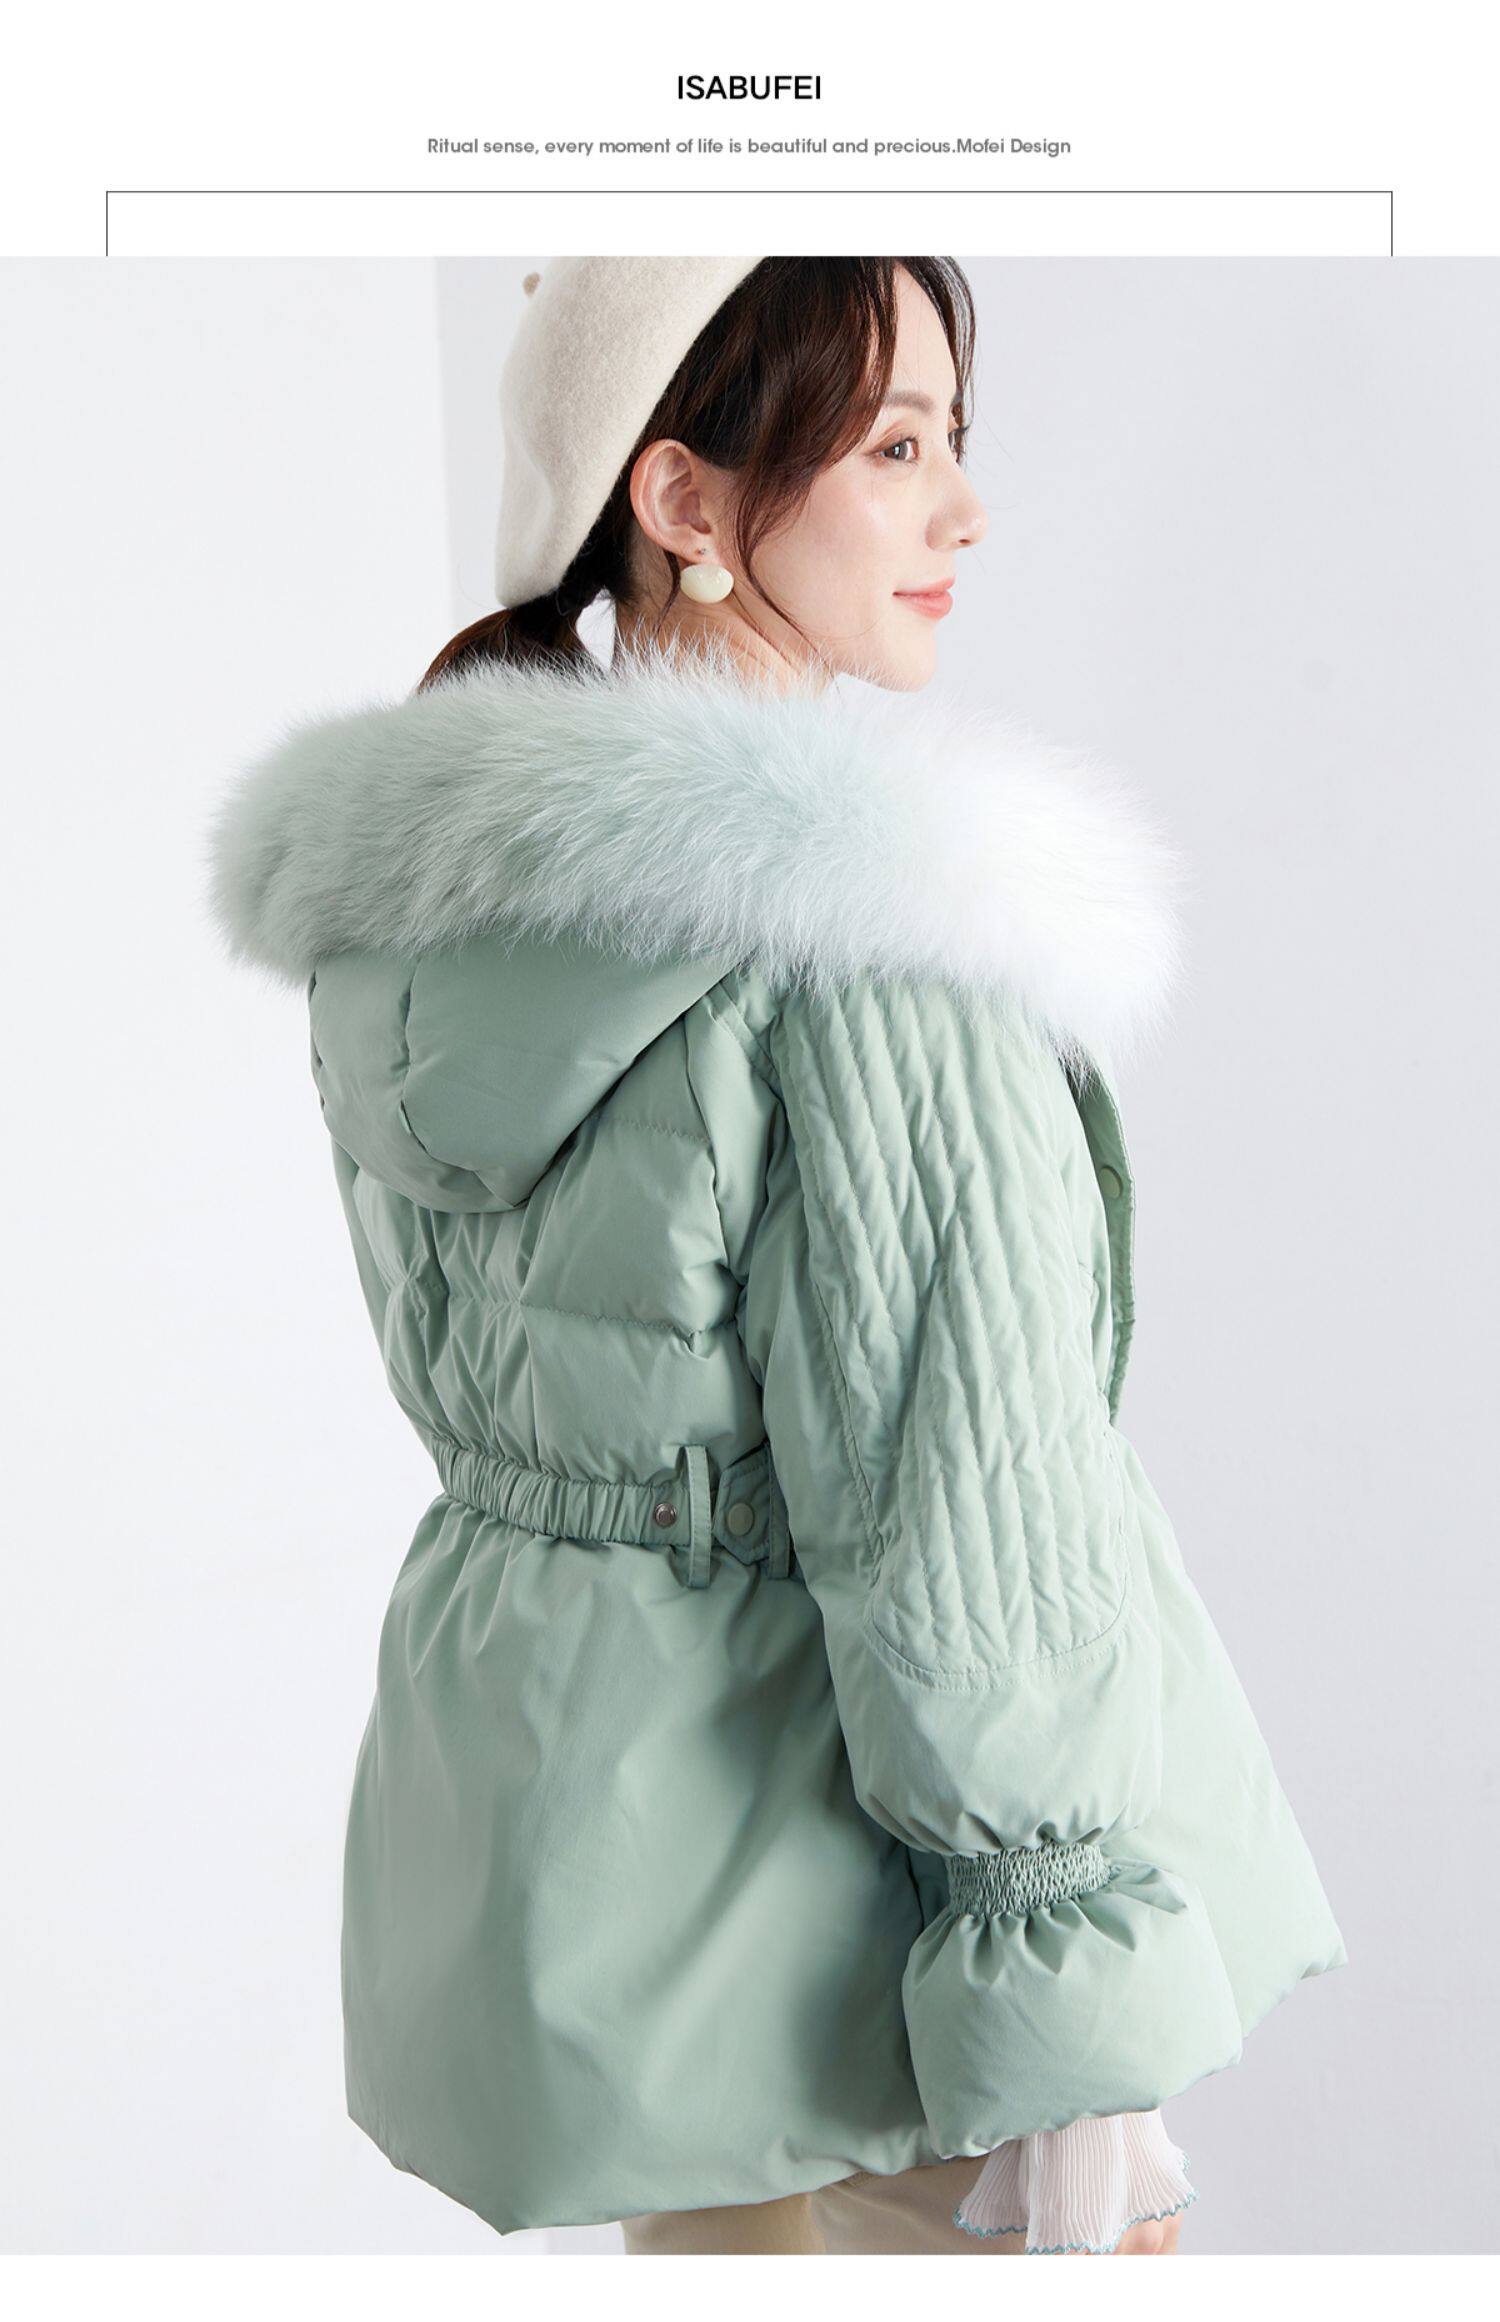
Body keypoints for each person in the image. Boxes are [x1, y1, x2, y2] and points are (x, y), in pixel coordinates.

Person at [206, 256, 1347, 2255]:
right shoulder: (874, 944)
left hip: (581, 1869)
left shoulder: (420, 926)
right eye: (895, 448)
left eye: (954, 442)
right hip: (867, 1907)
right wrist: (1067, 1989)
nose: (963, 510)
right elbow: (962, 1510)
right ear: (685, 502)